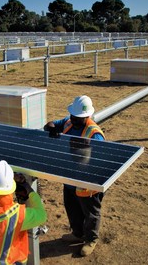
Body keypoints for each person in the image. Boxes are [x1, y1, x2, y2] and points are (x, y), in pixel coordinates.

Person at [43, 95, 105, 257]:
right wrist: (51, 128)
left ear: (87, 116)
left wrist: (86, 153)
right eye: (72, 115)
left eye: (77, 117)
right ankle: (77, 233)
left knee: (90, 212)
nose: (73, 119)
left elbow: (101, 162)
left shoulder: (94, 134)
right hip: (69, 177)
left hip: (87, 181)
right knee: (72, 208)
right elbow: (51, 124)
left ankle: (91, 239)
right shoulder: (68, 121)